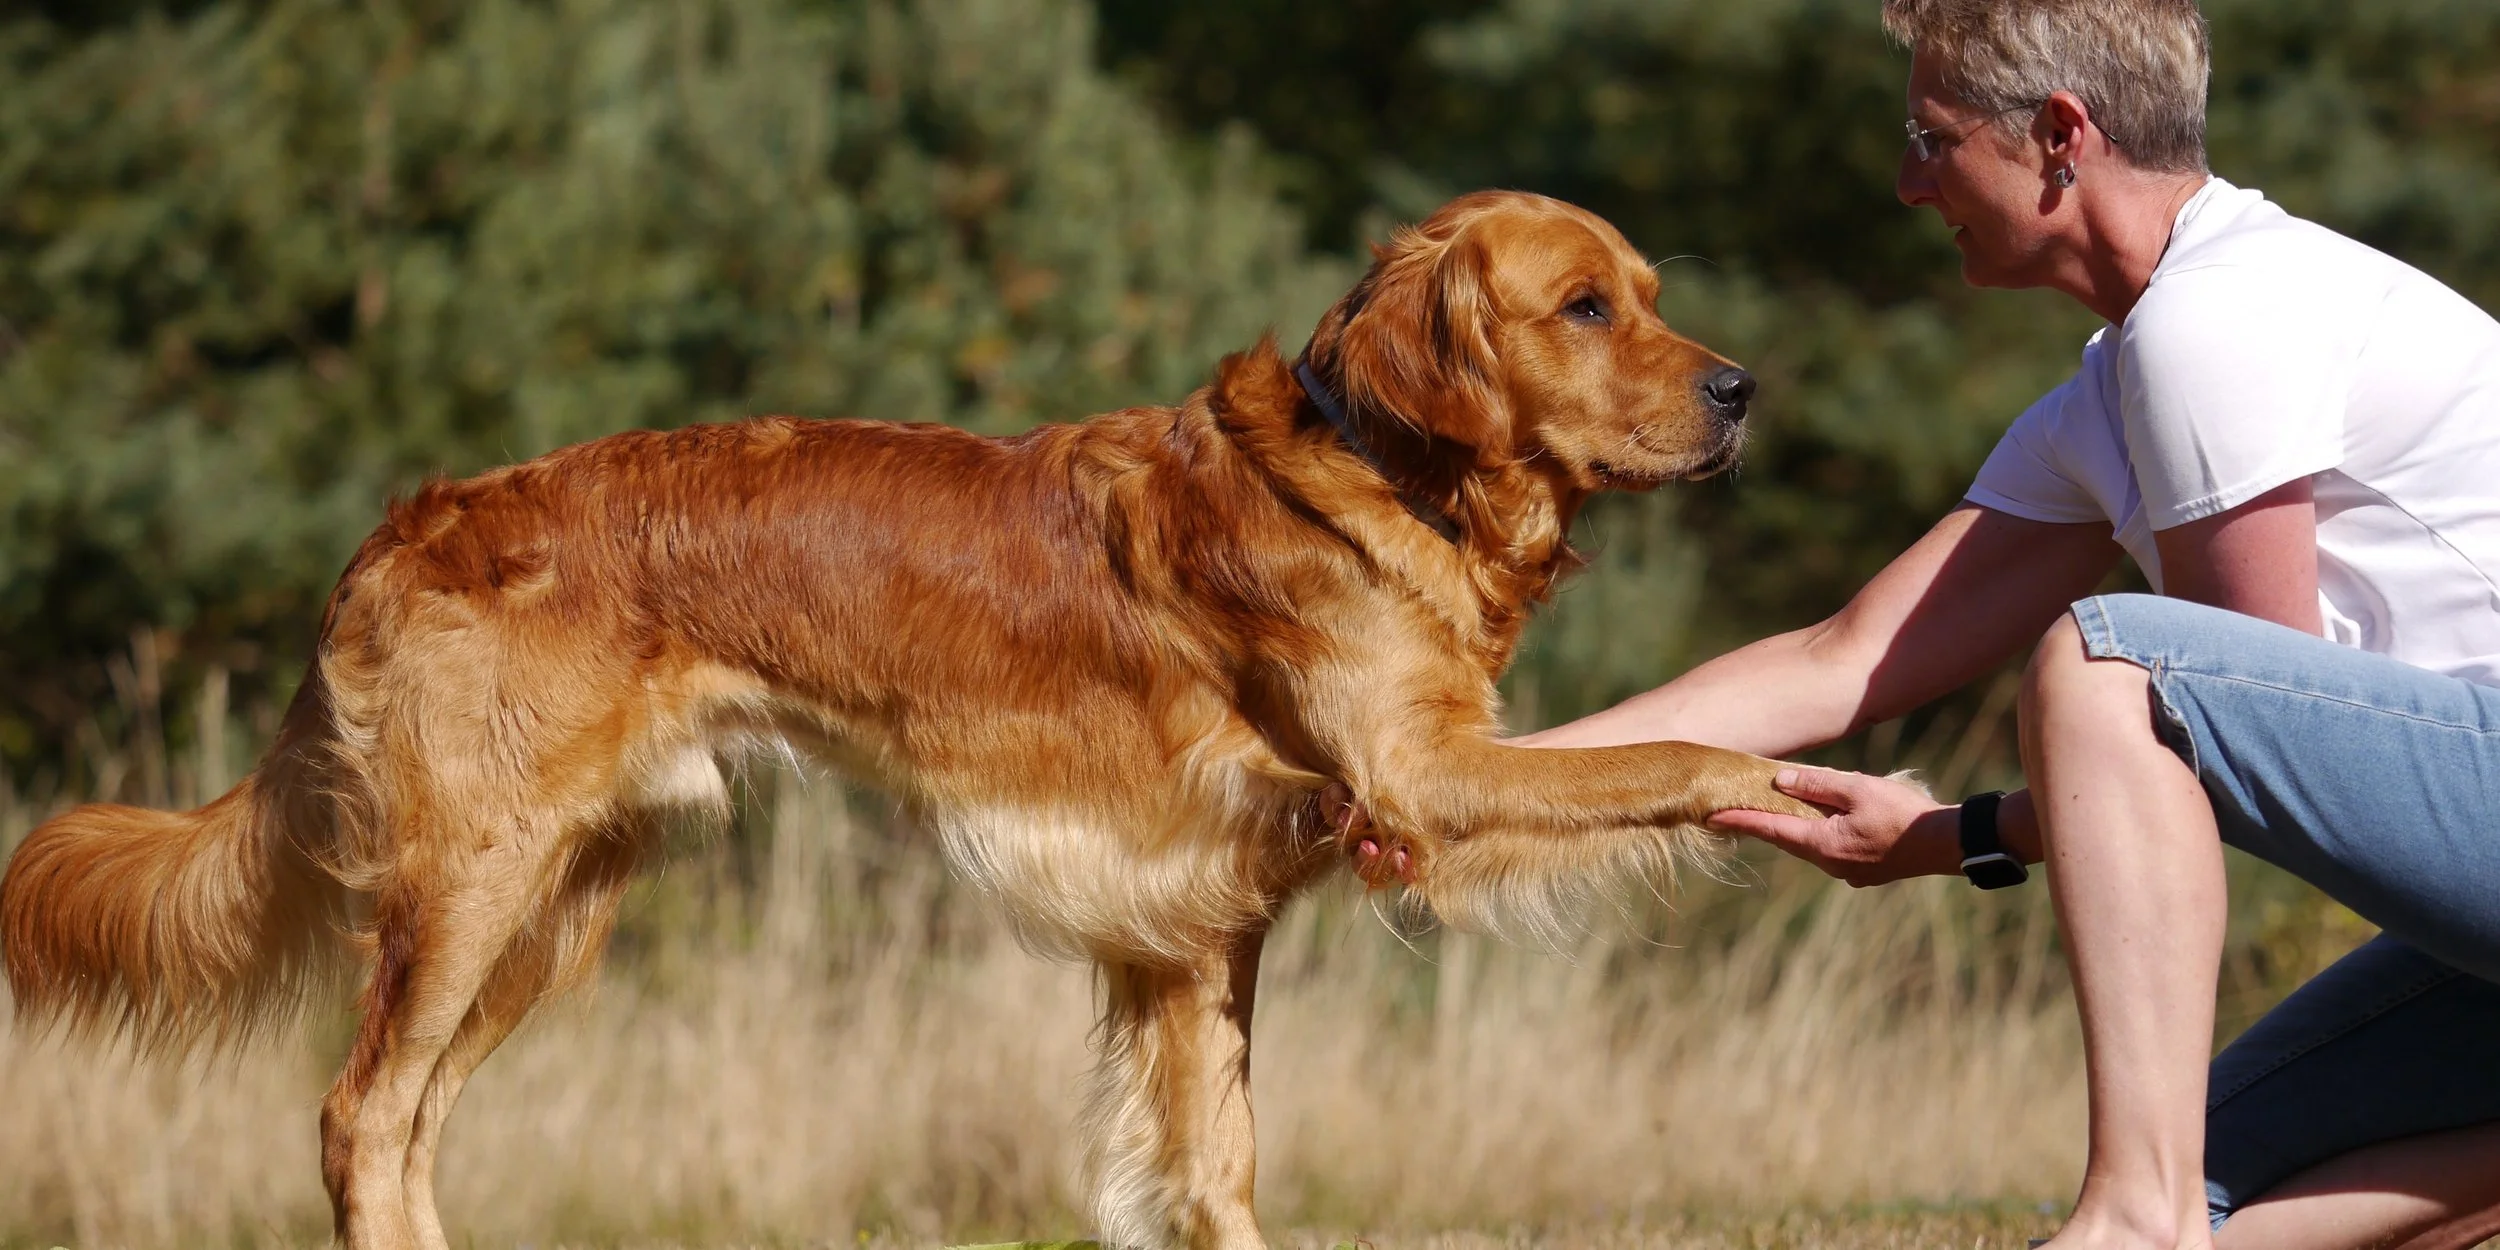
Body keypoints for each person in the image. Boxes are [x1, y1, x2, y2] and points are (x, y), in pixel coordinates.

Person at [1351, 2, 2500, 1246]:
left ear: (2061, 136)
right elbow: (1839, 659)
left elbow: (2244, 727)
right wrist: (1457, 784)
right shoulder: (2121, 383)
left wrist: (1960, 836)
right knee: (2223, 1185)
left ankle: (2126, 1217)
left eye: (1932, 137)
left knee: (2118, 657)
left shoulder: (2214, 322)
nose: (1907, 183)